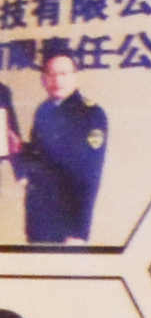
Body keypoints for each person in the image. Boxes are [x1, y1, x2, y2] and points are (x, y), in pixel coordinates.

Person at [10, 59, 97, 250]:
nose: (57, 80)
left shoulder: (90, 114)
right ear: (43, 79)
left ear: (75, 77)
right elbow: (42, 158)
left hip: (67, 226)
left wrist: (79, 232)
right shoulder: (44, 110)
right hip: (38, 220)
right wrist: (21, 148)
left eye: (64, 74)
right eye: (51, 74)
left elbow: (90, 177)